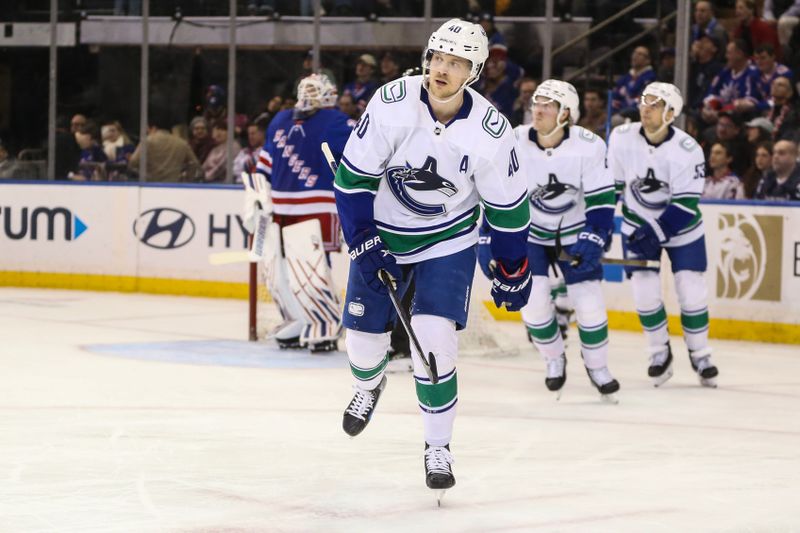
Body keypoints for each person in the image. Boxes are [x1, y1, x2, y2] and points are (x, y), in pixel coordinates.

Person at [332, 19, 531, 496]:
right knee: (361, 346)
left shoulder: (491, 130)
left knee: (434, 343)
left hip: (448, 238)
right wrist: (363, 239)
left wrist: (512, 265)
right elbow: (352, 181)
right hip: (383, 231)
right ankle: (369, 384)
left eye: (456, 62)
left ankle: (438, 446)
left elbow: (508, 207)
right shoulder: (391, 102)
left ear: (474, 71)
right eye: (437, 57)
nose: (441, 69)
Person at [503, 79, 619, 401]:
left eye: (547, 105)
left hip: (575, 232)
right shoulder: (514, 139)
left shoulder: (589, 145)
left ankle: (598, 367)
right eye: (536, 103)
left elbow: (602, 197)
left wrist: (595, 235)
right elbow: (497, 191)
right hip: (532, 234)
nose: (537, 109)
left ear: (565, 113)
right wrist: (490, 237)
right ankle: (554, 358)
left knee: (591, 305)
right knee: (533, 304)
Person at [608, 82, 719, 388]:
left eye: (655, 104)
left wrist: (654, 232)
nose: (646, 108)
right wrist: (602, 225)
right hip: (636, 222)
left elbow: (685, 205)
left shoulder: (688, 150)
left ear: (671, 113)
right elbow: (614, 185)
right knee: (644, 293)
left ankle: (701, 355)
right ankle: (659, 353)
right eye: (645, 102)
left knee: (691, 290)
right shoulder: (621, 137)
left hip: (682, 230)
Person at [244, 73, 352, 352]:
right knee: (276, 272)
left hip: (317, 206)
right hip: (278, 207)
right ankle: (297, 319)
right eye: (307, 89)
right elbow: (266, 161)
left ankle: (325, 323)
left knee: (310, 267)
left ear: (329, 95)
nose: (310, 95)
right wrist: (257, 194)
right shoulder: (280, 120)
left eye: (317, 91)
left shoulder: (339, 122)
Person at [129, 113, 201, 182]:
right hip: (174, 186)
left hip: (150, 186)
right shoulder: (181, 143)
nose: (148, 132)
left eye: (148, 129)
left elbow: (133, 163)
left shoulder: (148, 141)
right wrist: (187, 179)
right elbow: (194, 163)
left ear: (153, 127)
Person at [611, 46, 657, 120]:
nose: (635, 56)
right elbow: (615, 96)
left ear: (648, 60)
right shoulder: (625, 78)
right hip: (620, 113)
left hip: (637, 115)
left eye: (640, 54)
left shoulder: (650, 78)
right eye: (634, 53)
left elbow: (642, 101)